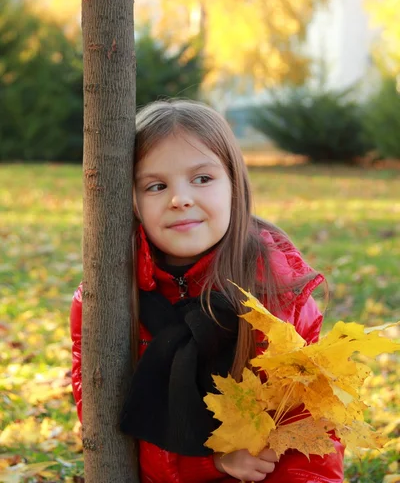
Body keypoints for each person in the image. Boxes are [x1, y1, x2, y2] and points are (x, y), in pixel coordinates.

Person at [70, 100, 344, 483]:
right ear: (129, 201)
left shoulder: (278, 291)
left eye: (202, 179)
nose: (180, 199)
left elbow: (311, 429)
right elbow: (106, 424)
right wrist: (207, 463)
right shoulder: (106, 298)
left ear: (235, 184)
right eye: (156, 186)